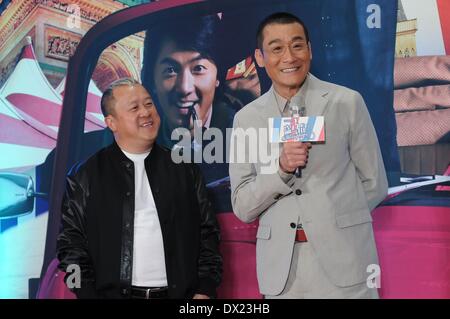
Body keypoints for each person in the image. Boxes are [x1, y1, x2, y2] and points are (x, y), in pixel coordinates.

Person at [229, 12, 388, 298]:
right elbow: (242, 204)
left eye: (297, 45)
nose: (289, 57)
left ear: (310, 50)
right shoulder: (246, 119)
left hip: (346, 263)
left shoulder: (346, 102)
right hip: (283, 271)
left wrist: (337, 222)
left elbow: (374, 182)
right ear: (260, 57)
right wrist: (279, 171)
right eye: (277, 48)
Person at [56, 78, 222, 299]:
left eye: (149, 104)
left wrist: (205, 289)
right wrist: (85, 293)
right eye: (134, 107)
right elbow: (70, 246)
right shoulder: (85, 175)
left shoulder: (184, 169)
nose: (145, 112)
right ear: (111, 122)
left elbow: (208, 233)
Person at [141, 15, 238, 186]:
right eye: (170, 70)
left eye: (198, 69)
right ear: (152, 80)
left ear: (218, 77)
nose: (185, 88)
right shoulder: (130, 142)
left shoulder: (245, 136)